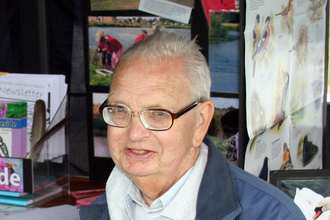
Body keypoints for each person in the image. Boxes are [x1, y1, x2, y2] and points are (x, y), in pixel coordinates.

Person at [79, 31, 305, 219]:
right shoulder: (99, 209)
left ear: (201, 122)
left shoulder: (272, 215)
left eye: (158, 114)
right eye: (120, 110)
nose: (135, 133)